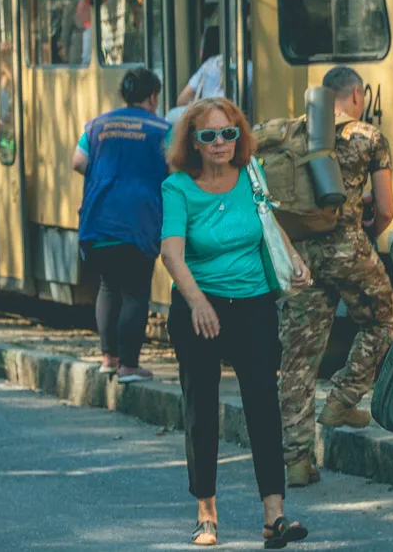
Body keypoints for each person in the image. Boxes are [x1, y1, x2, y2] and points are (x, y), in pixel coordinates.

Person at [159, 97, 310, 548]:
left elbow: (268, 223)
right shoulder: (178, 189)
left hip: (253, 304)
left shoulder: (251, 174)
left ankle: (274, 516)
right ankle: (207, 514)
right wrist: (198, 303)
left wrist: (293, 260)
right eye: (209, 136)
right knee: (201, 408)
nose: (221, 142)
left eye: (228, 133)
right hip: (199, 306)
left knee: (263, 405)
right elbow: (171, 252)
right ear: (194, 143)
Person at [279, 66, 393, 487]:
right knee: (385, 319)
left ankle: (296, 461)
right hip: (347, 248)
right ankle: (344, 398)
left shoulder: (295, 132)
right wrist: (363, 236)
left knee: (297, 359)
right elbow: (385, 209)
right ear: (355, 94)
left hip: (298, 254)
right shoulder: (369, 136)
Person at [72, 68, 171, 383]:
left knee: (108, 285)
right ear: (153, 97)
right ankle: (129, 365)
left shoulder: (96, 125)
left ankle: (108, 359)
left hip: (99, 216)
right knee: (136, 291)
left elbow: (78, 162)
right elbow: (173, 167)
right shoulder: (161, 129)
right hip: (139, 218)